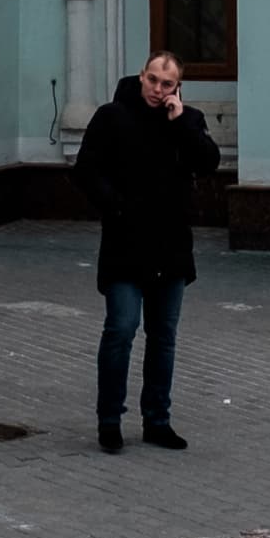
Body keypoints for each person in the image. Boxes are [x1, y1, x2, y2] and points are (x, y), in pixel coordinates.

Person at [71, 50, 218, 455]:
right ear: (141, 76)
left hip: (170, 248)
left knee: (163, 337)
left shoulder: (187, 121)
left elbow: (208, 162)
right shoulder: (112, 116)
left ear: (178, 88)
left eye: (166, 84)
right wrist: (117, 207)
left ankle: (157, 421)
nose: (157, 89)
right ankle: (109, 421)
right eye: (152, 80)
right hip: (125, 244)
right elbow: (85, 170)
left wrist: (181, 123)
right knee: (120, 329)